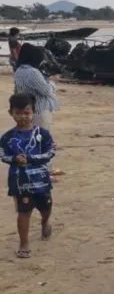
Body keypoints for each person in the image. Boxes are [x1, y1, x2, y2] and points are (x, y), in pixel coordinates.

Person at [2, 93, 56, 258]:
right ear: (11, 113)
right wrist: (13, 159)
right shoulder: (7, 137)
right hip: (20, 182)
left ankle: (45, 221)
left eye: (26, 112)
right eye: (18, 113)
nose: (23, 117)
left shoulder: (43, 134)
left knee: (46, 206)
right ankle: (24, 242)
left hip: (41, 180)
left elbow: (51, 151)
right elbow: (2, 154)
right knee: (23, 212)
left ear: (33, 112)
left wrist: (31, 159)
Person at [14, 44, 58, 130]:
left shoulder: (18, 71)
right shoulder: (33, 72)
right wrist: (53, 82)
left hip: (26, 109)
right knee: (41, 138)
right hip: (39, 111)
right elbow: (46, 91)